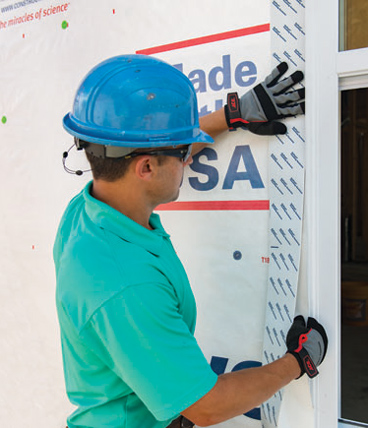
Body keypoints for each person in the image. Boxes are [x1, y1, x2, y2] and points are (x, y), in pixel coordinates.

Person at [54, 54, 327, 428]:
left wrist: (231, 116)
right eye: (183, 152)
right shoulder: (124, 283)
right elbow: (206, 405)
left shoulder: (87, 213)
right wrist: (297, 361)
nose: (187, 161)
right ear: (146, 168)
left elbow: (146, 151)